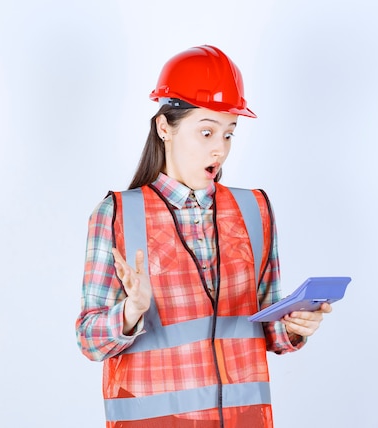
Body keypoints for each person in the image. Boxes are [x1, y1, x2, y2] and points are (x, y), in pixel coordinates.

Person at [75, 45, 332, 428]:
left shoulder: (253, 210)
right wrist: (131, 311)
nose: (220, 148)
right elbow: (89, 340)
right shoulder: (118, 215)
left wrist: (294, 325)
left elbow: (266, 327)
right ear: (165, 127)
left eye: (229, 134)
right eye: (207, 131)